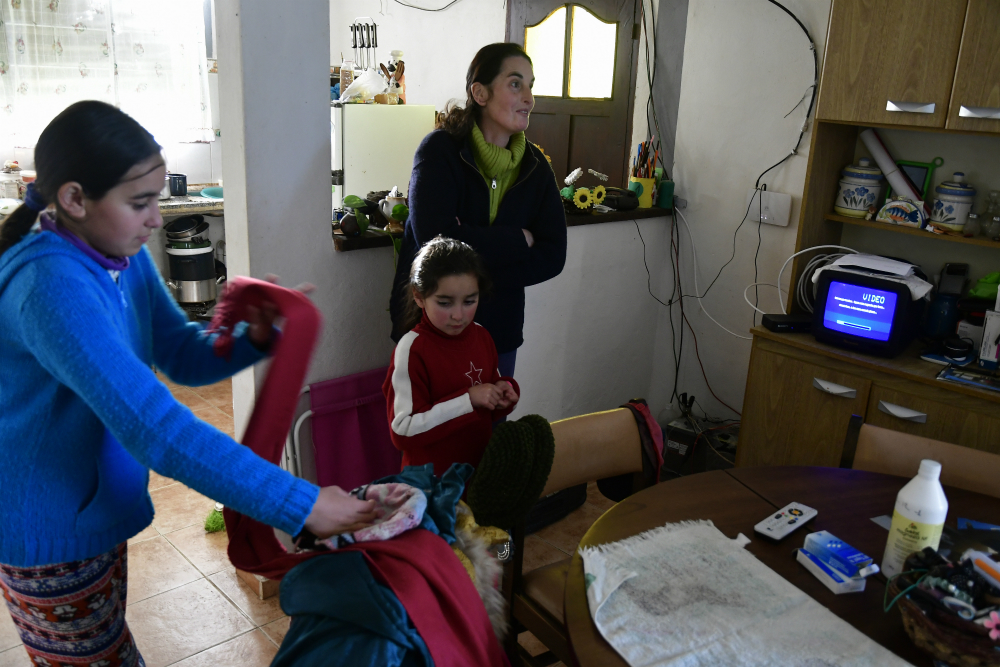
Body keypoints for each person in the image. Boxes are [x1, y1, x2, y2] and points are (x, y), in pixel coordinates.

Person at [0, 101, 376, 667]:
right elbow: (156, 427)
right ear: (75, 199)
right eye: (139, 202)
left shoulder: (118, 255)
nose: (157, 218)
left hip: (93, 511)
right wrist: (300, 503)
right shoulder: (51, 285)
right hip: (46, 530)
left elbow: (179, 355)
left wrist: (251, 338)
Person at [389, 42, 567, 380]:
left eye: (531, 85)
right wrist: (518, 240)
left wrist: (468, 244)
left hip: (498, 331)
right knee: (426, 428)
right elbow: (436, 244)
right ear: (480, 93)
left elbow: (553, 254)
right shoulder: (440, 151)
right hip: (428, 328)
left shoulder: (535, 167)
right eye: (516, 84)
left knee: (490, 429)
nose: (529, 98)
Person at [384, 236, 519, 477]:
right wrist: (468, 400)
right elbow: (402, 430)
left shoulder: (481, 335)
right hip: (432, 487)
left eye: (470, 301)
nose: (459, 315)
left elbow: (488, 399)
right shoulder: (412, 349)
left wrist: (503, 391)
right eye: (445, 303)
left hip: (476, 475)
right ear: (419, 296)